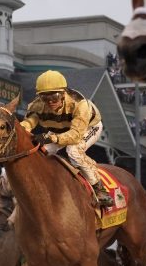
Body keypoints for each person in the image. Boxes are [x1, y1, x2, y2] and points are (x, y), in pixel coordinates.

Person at [20, 70, 114, 208]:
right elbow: (31, 121)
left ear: (63, 93)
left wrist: (50, 137)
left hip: (87, 127)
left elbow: (75, 135)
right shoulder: (37, 105)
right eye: (45, 98)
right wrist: (21, 128)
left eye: (55, 96)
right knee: (40, 152)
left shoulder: (79, 104)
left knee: (73, 151)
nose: (50, 102)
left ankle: (99, 189)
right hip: (60, 128)